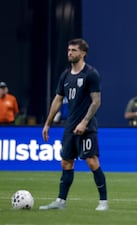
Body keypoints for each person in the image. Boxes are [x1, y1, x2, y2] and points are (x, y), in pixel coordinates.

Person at [39, 38, 108, 211]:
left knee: (92, 162)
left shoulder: (91, 74)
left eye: (74, 50)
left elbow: (96, 101)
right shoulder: (65, 75)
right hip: (70, 126)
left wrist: (84, 122)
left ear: (83, 53)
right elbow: (57, 99)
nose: (70, 53)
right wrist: (47, 124)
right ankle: (61, 201)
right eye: (69, 50)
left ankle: (103, 202)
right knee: (66, 162)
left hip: (87, 126)